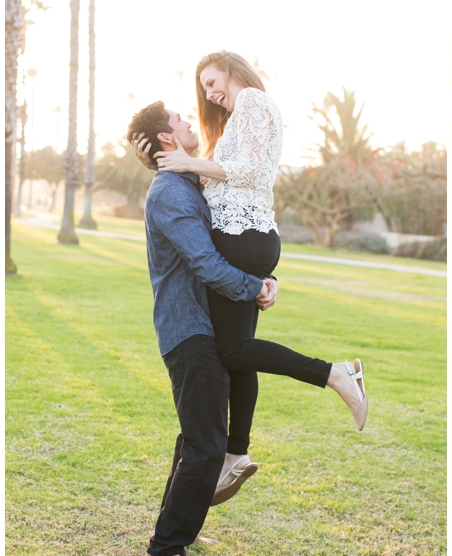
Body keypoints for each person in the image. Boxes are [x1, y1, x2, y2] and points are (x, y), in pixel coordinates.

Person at [133, 51, 367, 498]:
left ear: (233, 70)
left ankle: (335, 374)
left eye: (212, 80)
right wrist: (159, 156)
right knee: (233, 351)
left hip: (243, 237)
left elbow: (251, 172)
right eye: (203, 88)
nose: (209, 93)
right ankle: (234, 452)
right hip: (244, 238)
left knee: (233, 348)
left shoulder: (254, 102)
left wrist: (186, 163)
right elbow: (219, 183)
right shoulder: (237, 119)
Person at [127, 102, 277, 556]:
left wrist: (264, 276)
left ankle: (180, 531)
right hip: (188, 329)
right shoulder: (171, 191)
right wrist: (253, 287)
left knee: (197, 437)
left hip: (201, 326)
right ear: (169, 139)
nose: (189, 121)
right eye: (179, 120)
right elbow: (206, 264)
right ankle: (163, 552)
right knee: (207, 444)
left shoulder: (188, 181)